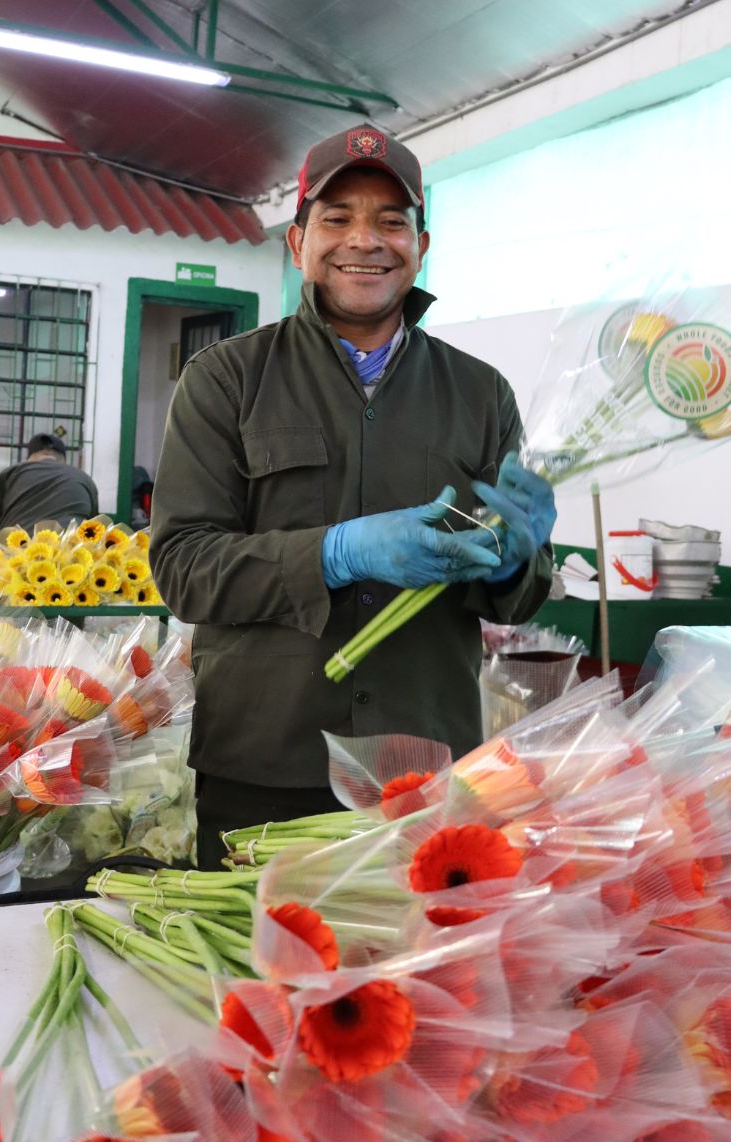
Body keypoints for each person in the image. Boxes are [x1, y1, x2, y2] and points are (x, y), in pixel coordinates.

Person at [150, 125, 556, 869]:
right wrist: (338, 553)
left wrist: (513, 562)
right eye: (337, 218)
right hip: (265, 762)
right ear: (296, 241)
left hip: (425, 773)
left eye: (391, 221)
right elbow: (183, 567)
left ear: (421, 246)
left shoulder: (480, 393)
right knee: (248, 974)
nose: (364, 241)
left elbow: (520, 598)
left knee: (414, 976)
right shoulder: (226, 379)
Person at [0, 433, 99, 543]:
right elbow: (95, 527)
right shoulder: (84, 479)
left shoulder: (11, 474)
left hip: (17, 556)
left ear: (29, 458)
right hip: (69, 558)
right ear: (62, 459)